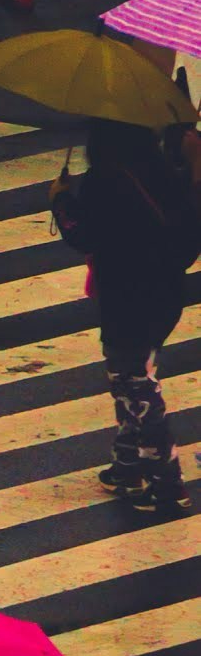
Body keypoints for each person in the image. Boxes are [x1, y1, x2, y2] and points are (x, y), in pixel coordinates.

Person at [56, 122, 199, 517]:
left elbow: (84, 235)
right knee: (131, 376)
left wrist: (61, 201)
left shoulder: (105, 181)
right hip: (166, 293)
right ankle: (127, 466)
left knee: (136, 385)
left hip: (126, 295)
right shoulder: (163, 171)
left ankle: (168, 485)